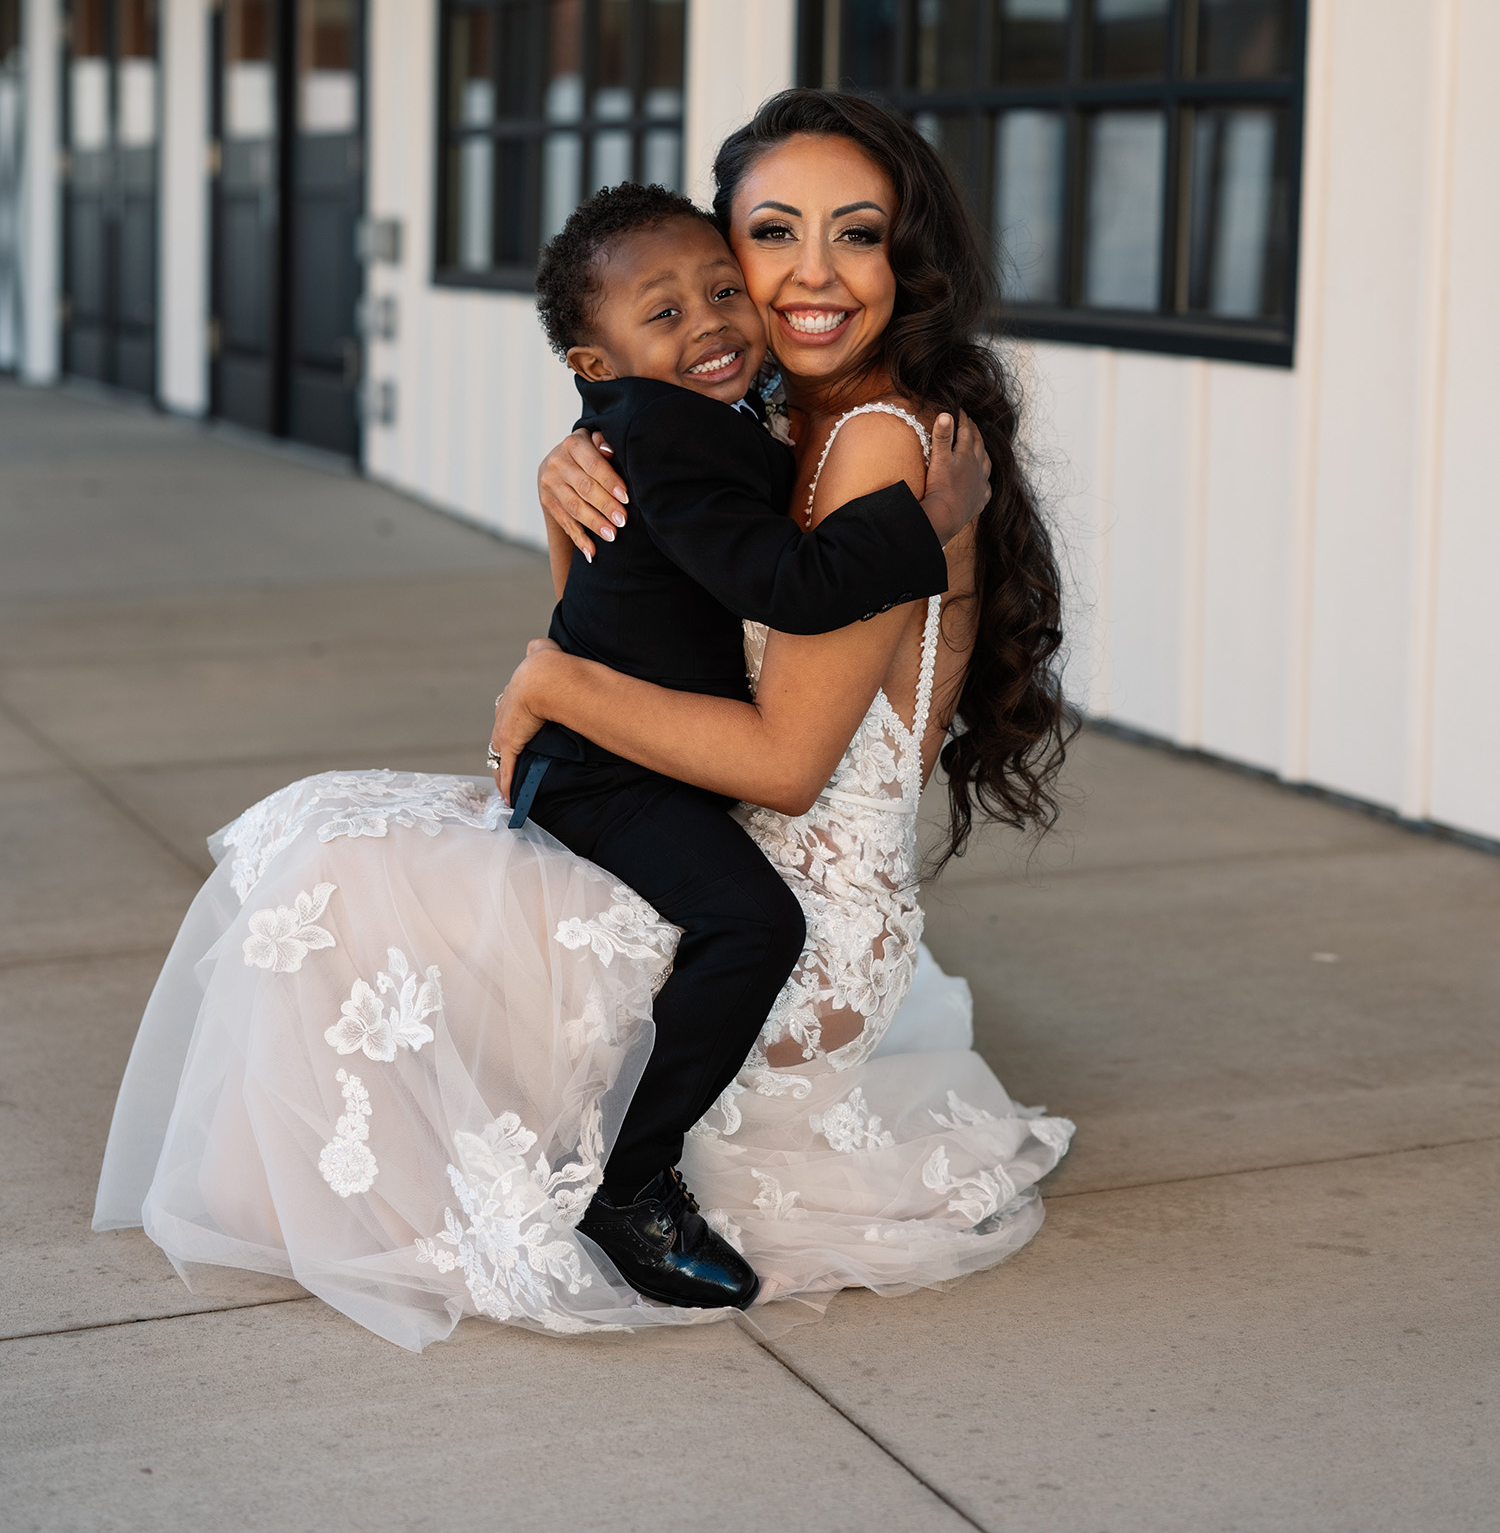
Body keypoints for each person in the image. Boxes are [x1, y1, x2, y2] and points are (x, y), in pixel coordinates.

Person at [91, 157, 994, 1344]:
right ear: (596, 361)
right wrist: (931, 521)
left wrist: (590, 467)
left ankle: (613, 1157)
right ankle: (629, 1185)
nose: (717, 321)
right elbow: (785, 581)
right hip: (611, 770)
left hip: (630, 756)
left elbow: (641, 595)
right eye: (666, 313)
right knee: (752, 923)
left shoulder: (700, 423)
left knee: (714, 930)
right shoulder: (684, 435)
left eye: (723, 291)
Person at [493, 89, 1075, 1320]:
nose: (810, 273)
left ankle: (629, 1179)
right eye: (772, 234)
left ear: (907, 258)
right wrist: (579, 488)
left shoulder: (871, 440)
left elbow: (784, 765)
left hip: (785, 925)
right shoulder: (755, 419)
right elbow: (633, 619)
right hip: (696, 829)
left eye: (857, 233)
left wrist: (548, 680)